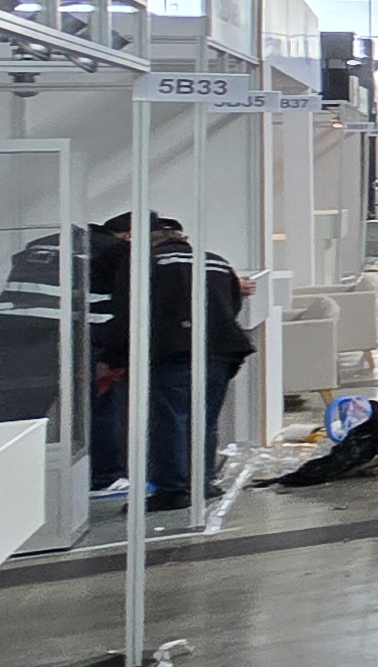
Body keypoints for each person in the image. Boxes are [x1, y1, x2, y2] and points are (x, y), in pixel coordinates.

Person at [86, 214, 256, 511]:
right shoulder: (216, 261)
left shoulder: (144, 264)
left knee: (169, 421)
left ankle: (173, 490)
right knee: (204, 419)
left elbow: (127, 314)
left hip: (171, 352)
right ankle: (202, 481)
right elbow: (232, 306)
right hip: (222, 351)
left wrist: (112, 359)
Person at [0, 226, 99, 426]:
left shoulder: (40, 246)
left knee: (15, 414)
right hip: (45, 337)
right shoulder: (102, 251)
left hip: (6, 332)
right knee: (87, 419)